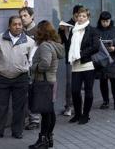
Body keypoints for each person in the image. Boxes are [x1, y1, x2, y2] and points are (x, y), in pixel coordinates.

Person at [0, 15, 35, 140]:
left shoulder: (29, 41)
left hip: (21, 78)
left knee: (19, 107)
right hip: (2, 78)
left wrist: (27, 70)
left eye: (20, 24)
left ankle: (17, 131)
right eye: (15, 24)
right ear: (9, 26)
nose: (18, 26)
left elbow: (32, 60)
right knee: (1, 106)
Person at [28, 21, 65, 149]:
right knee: (49, 111)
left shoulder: (45, 46)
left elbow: (45, 64)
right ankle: (48, 138)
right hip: (51, 81)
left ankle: (43, 139)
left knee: (46, 113)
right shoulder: (54, 44)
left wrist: (33, 67)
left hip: (44, 82)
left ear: (41, 31)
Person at [67, 7, 100, 124]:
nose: (81, 18)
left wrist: (80, 54)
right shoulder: (73, 30)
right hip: (75, 65)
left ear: (88, 18)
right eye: (79, 16)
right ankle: (77, 114)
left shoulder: (92, 30)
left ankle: (85, 115)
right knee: (75, 91)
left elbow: (95, 47)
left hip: (88, 65)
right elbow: (69, 45)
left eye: (84, 16)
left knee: (88, 90)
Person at [95, 11, 115, 110]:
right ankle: (105, 102)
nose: (105, 23)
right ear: (100, 21)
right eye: (103, 21)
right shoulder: (96, 31)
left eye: (107, 21)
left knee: (114, 82)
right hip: (101, 60)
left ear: (110, 21)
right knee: (103, 82)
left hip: (113, 59)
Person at [57, 5, 82, 117]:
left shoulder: (85, 25)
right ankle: (69, 107)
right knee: (70, 84)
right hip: (70, 58)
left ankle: (80, 107)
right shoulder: (66, 25)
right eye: (77, 15)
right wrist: (61, 32)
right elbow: (60, 42)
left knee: (81, 84)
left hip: (82, 57)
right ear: (73, 14)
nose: (79, 18)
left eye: (81, 15)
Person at [20, 6, 40, 131]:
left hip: (34, 67)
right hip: (22, 66)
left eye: (25, 16)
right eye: (21, 16)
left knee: (33, 94)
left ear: (32, 16)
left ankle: (35, 119)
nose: (22, 18)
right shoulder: (20, 30)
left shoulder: (38, 31)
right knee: (24, 94)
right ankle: (26, 118)